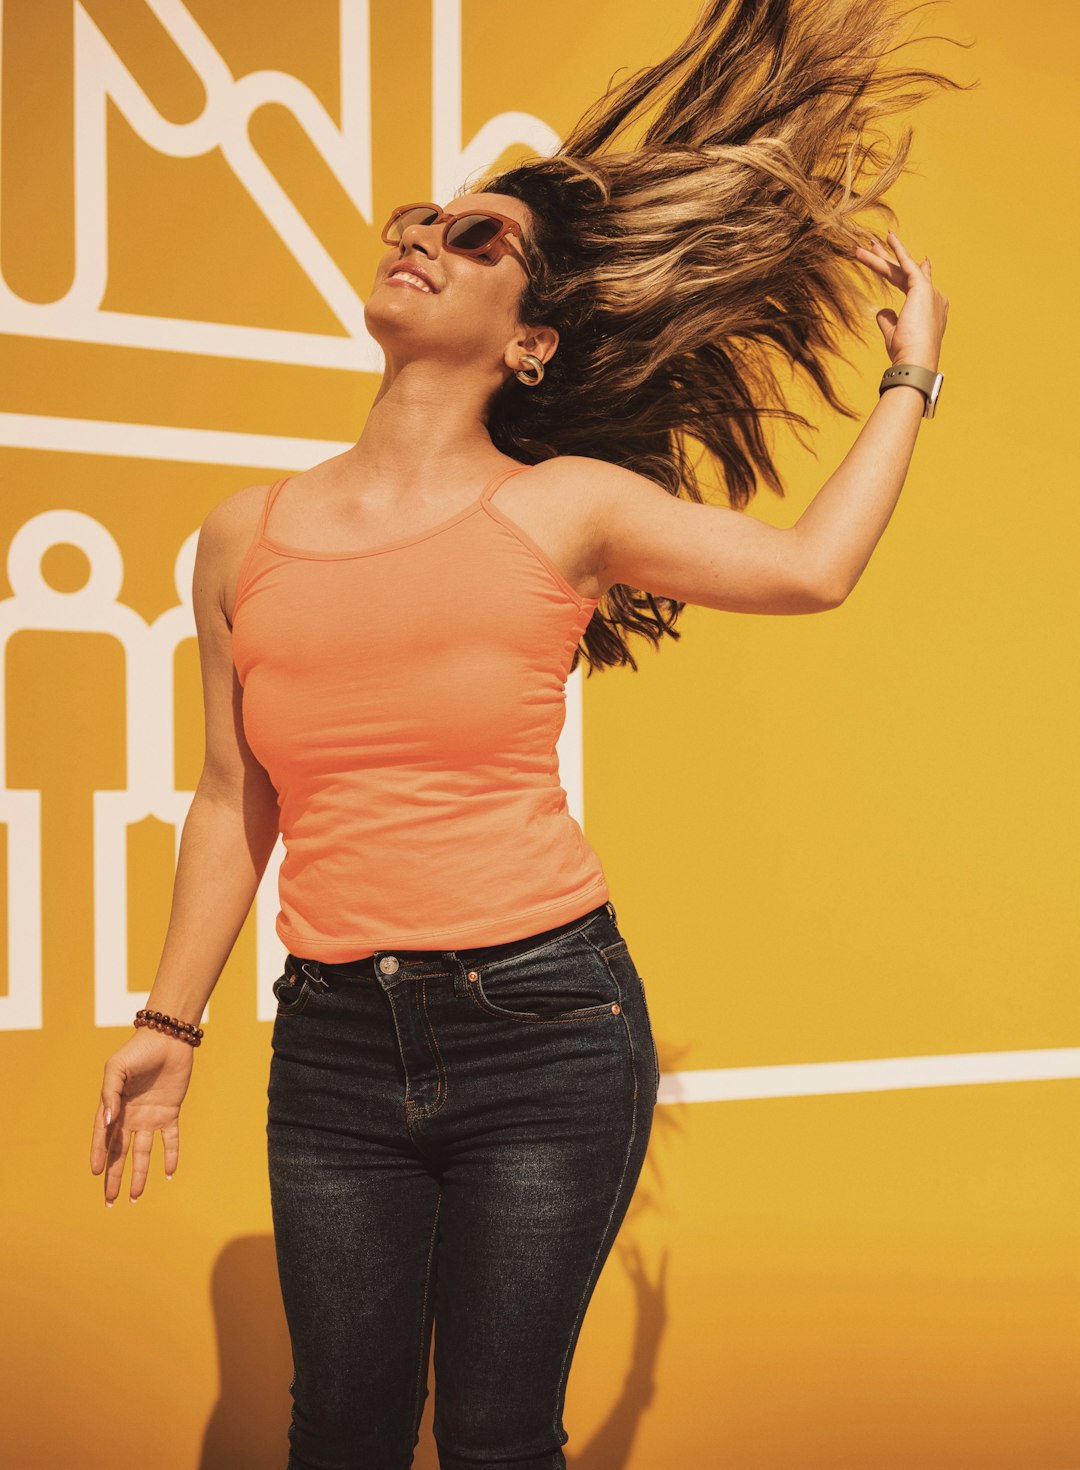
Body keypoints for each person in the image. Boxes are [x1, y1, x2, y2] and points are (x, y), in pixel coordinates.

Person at [90, 1, 963, 1464]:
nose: (424, 234)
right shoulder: (242, 535)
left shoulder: (565, 509)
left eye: (477, 238)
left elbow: (813, 570)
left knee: (497, 1435)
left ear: (535, 342)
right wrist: (167, 1025)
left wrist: (912, 374)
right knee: (342, 1429)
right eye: (424, 216)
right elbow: (233, 796)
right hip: (336, 1045)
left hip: (547, 1029)